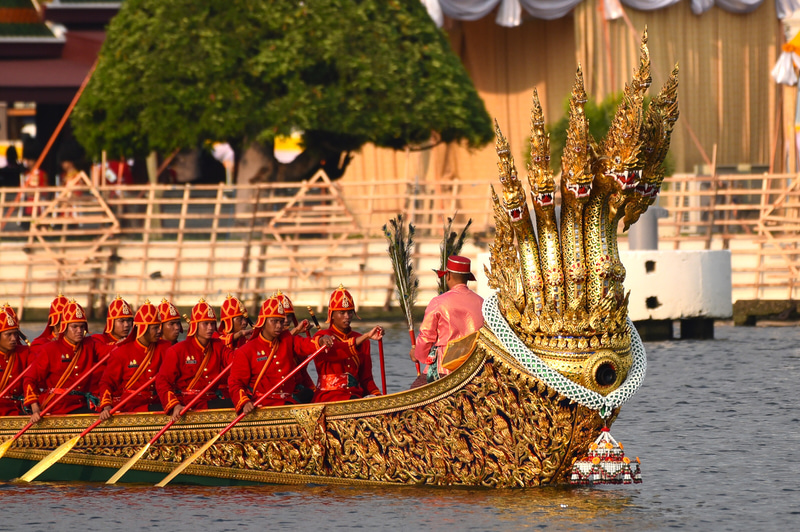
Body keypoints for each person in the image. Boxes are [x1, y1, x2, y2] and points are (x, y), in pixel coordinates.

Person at [228, 297, 335, 413]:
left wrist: (321, 341)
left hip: (288, 402)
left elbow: (305, 344)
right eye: (274, 321)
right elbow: (235, 383)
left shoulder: (287, 340)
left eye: (281, 321)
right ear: (263, 322)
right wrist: (244, 402)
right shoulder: (246, 350)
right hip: (262, 405)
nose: (279, 326)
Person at [23, 300, 111, 422]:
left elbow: (114, 353)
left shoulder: (90, 344)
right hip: (56, 407)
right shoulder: (49, 349)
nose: (79, 331)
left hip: (81, 405)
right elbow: (30, 379)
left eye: (82, 327)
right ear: (64, 327)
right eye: (74, 327)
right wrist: (35, 409)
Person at [156, 298, 233, 421]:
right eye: (205, 324)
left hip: (212, 400)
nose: (210, 328)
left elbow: (237, 362)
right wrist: (174, 405)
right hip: (189, 403)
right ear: (195, 325)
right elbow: (162, 382)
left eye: (212, 323)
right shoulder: (178, 350)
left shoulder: (218, 346)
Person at [412, 255, 484, 382]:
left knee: (413, 397)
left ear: (448, 276)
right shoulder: (482, 303)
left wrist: (418, 355)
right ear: (468, 278)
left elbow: (426, 336)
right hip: (473, 368)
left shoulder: (438, 302)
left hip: (444, 368)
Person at [97, 300, 167, 419]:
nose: (159, 331)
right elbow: (107, 383)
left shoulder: (165, 347)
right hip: (133, 405)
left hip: (159, 401)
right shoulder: (121, 352)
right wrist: (107, 406)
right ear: (143, 329)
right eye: (155, 328)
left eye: (159, 327)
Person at [312, 285, 383, 403]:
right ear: (332, 315)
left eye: (350, 312)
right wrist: (365, 336)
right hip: (328, 397)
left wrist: (378, 396)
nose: (347, 317)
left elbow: (366, 378)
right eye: (342, 312)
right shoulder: (322, 337)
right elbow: (338, 351)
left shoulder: (361, 340)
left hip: (355, 396)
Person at [274, 290, 316, 401]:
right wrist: (296, 330)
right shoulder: (260, 341)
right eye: (283, 317)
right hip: (274, 393)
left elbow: (302, 372)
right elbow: (273, 346)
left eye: (289, 316)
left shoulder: (297, 339)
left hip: (298, 389)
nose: (287, 321)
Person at [0, 304, 31, 416]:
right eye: (8, 334)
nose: (14, 339)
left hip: (20, 408)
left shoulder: (25, 352)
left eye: (15, 334)